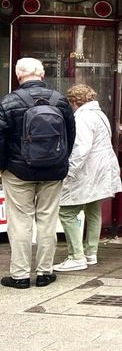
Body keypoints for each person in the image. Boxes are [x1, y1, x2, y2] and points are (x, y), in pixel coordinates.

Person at [0, 58, 76, 289]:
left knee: (20, 222)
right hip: (53, 171)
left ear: (17, 74)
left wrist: (2, 166)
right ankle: (44, 272)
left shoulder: (8, 101)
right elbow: (70, 136)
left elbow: (0, 138)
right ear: (42, 74)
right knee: (47, 220)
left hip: (18, 171)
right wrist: (61, 160)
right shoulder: (60, 100)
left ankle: (20, 275)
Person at [53, 85, 122, 272]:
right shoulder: (100, 114)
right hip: (101, 170)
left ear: (74, 101)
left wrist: (68, 173)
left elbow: (80, 150)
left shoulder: (83, 118)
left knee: (67, 212)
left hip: (87, 171)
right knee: (93, 210)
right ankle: (90, 252)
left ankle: (76, 257)